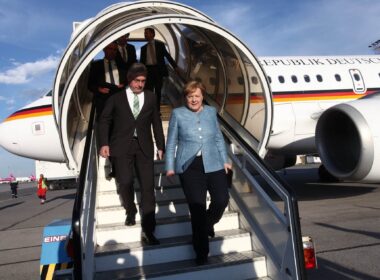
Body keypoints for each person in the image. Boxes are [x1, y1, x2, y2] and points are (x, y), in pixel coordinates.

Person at [165, 81, 232, 265]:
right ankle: (201, 252)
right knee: (197, 209)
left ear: (203, 96)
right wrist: (170, 167)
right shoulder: (178, 114)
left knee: (221, 200)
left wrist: (225, 159)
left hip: (214, 163)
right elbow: (171, 143)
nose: (194, 99)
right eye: (190, 96)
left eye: (197, 96)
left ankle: (208, 223)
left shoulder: (211, 112)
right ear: (185, 97)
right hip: (190, 166)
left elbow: (218, 138)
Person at [98, 63, 165, 246]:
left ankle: (149, 230)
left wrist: (161, 145)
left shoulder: (151, 97)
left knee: (147, 188)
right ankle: (130, 210)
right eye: (137, 81)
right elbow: (104, 120)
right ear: (130, 80)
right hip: (120, 146)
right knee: (125, 181)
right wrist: (104, 143)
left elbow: (156, 122)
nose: (140, 84)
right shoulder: (116, 98)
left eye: (143, 81)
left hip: (143, 147)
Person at [140, 27, 178, 111]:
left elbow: (167, 56)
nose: (145, 34)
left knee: (158, 91)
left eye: (147, 33)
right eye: (144, 33)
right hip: (148, 71)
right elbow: (142, 63)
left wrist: (175, 67)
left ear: (153, 34)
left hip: (158, 70)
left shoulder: (160, 45)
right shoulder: (143, 48)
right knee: (148, 91)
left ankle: (157, 110)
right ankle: (149, 109)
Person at [88, 41, 127, 120]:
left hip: (119, 98)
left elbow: (127, 80)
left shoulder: (121, 65)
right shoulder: (96, 65)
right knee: (104, 126)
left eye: (114, 50)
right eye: (110, 48)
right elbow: (90, 84)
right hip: (103, 100)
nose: (112, 51)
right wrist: (99, 89)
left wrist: (124, 85)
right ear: (104, 49)